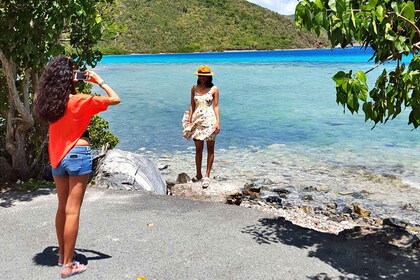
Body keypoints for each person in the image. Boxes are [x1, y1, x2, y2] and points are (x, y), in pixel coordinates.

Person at [34, 55, 121, 278]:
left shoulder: (47, 103)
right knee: (73, 210)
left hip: (57, 157)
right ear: (69, 77)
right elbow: (115, 99)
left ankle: (62, 255)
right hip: (78, 154)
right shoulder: (80, 101)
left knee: (62, 207)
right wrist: (98, 80)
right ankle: (68, 265)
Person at [182, 65, 220, 188]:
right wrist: (189, 119)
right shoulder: (194, 88)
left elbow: (216, 106)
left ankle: (207, 175)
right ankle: (198, 174)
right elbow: (192, 104)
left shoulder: (214, 89)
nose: (202, 78)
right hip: (197, 121)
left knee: (210, 149)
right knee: (198, 150)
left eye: (205, 76)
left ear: (209, 77)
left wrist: (218, 122)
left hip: (210, 122)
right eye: (200, 76)